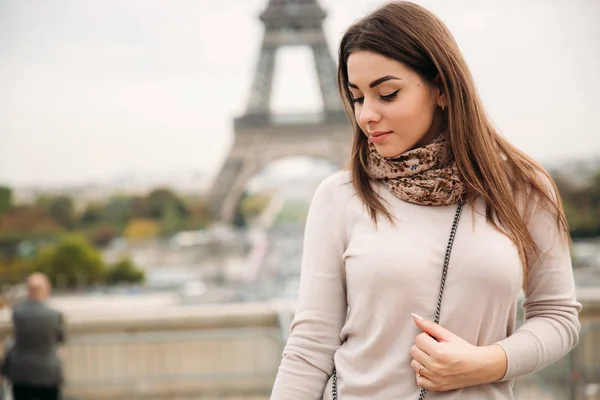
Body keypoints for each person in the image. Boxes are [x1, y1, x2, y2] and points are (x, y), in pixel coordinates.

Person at [270, 2, 581, 399]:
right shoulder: (340, 197)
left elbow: (557, 315)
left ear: (442, 89)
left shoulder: (522, 189)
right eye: (357, 97)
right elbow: (310, 347)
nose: (366, 115)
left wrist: (488, 362)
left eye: (387, 94)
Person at [2, 273, 65, 400]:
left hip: (21, 372)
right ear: (47, 290)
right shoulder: (54, 315)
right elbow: (61, 337)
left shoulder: (18, 312)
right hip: (48, 372)